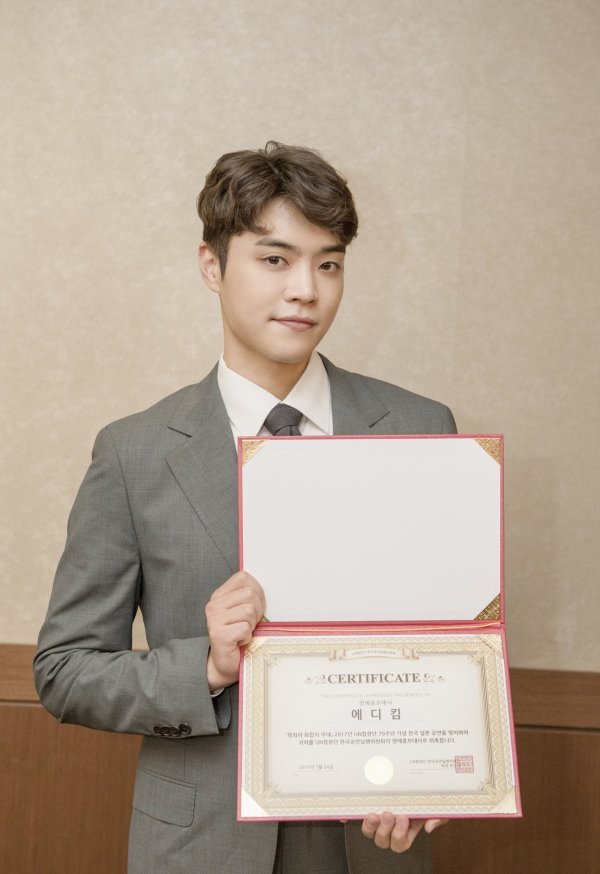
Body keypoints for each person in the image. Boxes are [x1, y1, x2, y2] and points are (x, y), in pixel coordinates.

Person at [34, 142, 455, 873]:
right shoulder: (134, 453)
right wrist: (204, 667)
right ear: (212, 265)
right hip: (203, 843)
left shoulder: (423, 429)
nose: (306, 290)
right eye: (275, 259)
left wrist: (440, 775)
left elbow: (457, 644)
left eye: (329, 264)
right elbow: (65, 670)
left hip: (370, 840)